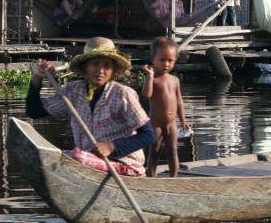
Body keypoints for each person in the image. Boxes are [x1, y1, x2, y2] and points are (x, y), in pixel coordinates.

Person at [25, 37, 156, 177]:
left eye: (106, 65)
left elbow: (149, 135)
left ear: (113, 70)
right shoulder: (73, 92)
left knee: (76, 157)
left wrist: (111, 146)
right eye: (95, 64)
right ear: (85, 67)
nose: (100, 70)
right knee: (50, 156)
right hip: (88, 164)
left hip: (125, 164)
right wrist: (37, 78)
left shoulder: (123, 94)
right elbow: (34, 111)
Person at [141, 37, 190, 178]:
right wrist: (149, 77)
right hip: (155, 123)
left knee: (173, 150)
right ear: (153, 59)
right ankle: (150, 175)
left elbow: (179, 101)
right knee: (154, 150)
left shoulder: (174, 80)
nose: (166, 64)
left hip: (171, 123)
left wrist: (183, 120)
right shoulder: (153, 79)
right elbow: (146, 94)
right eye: (162, 60)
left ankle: (173, 178)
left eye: (170, 60)